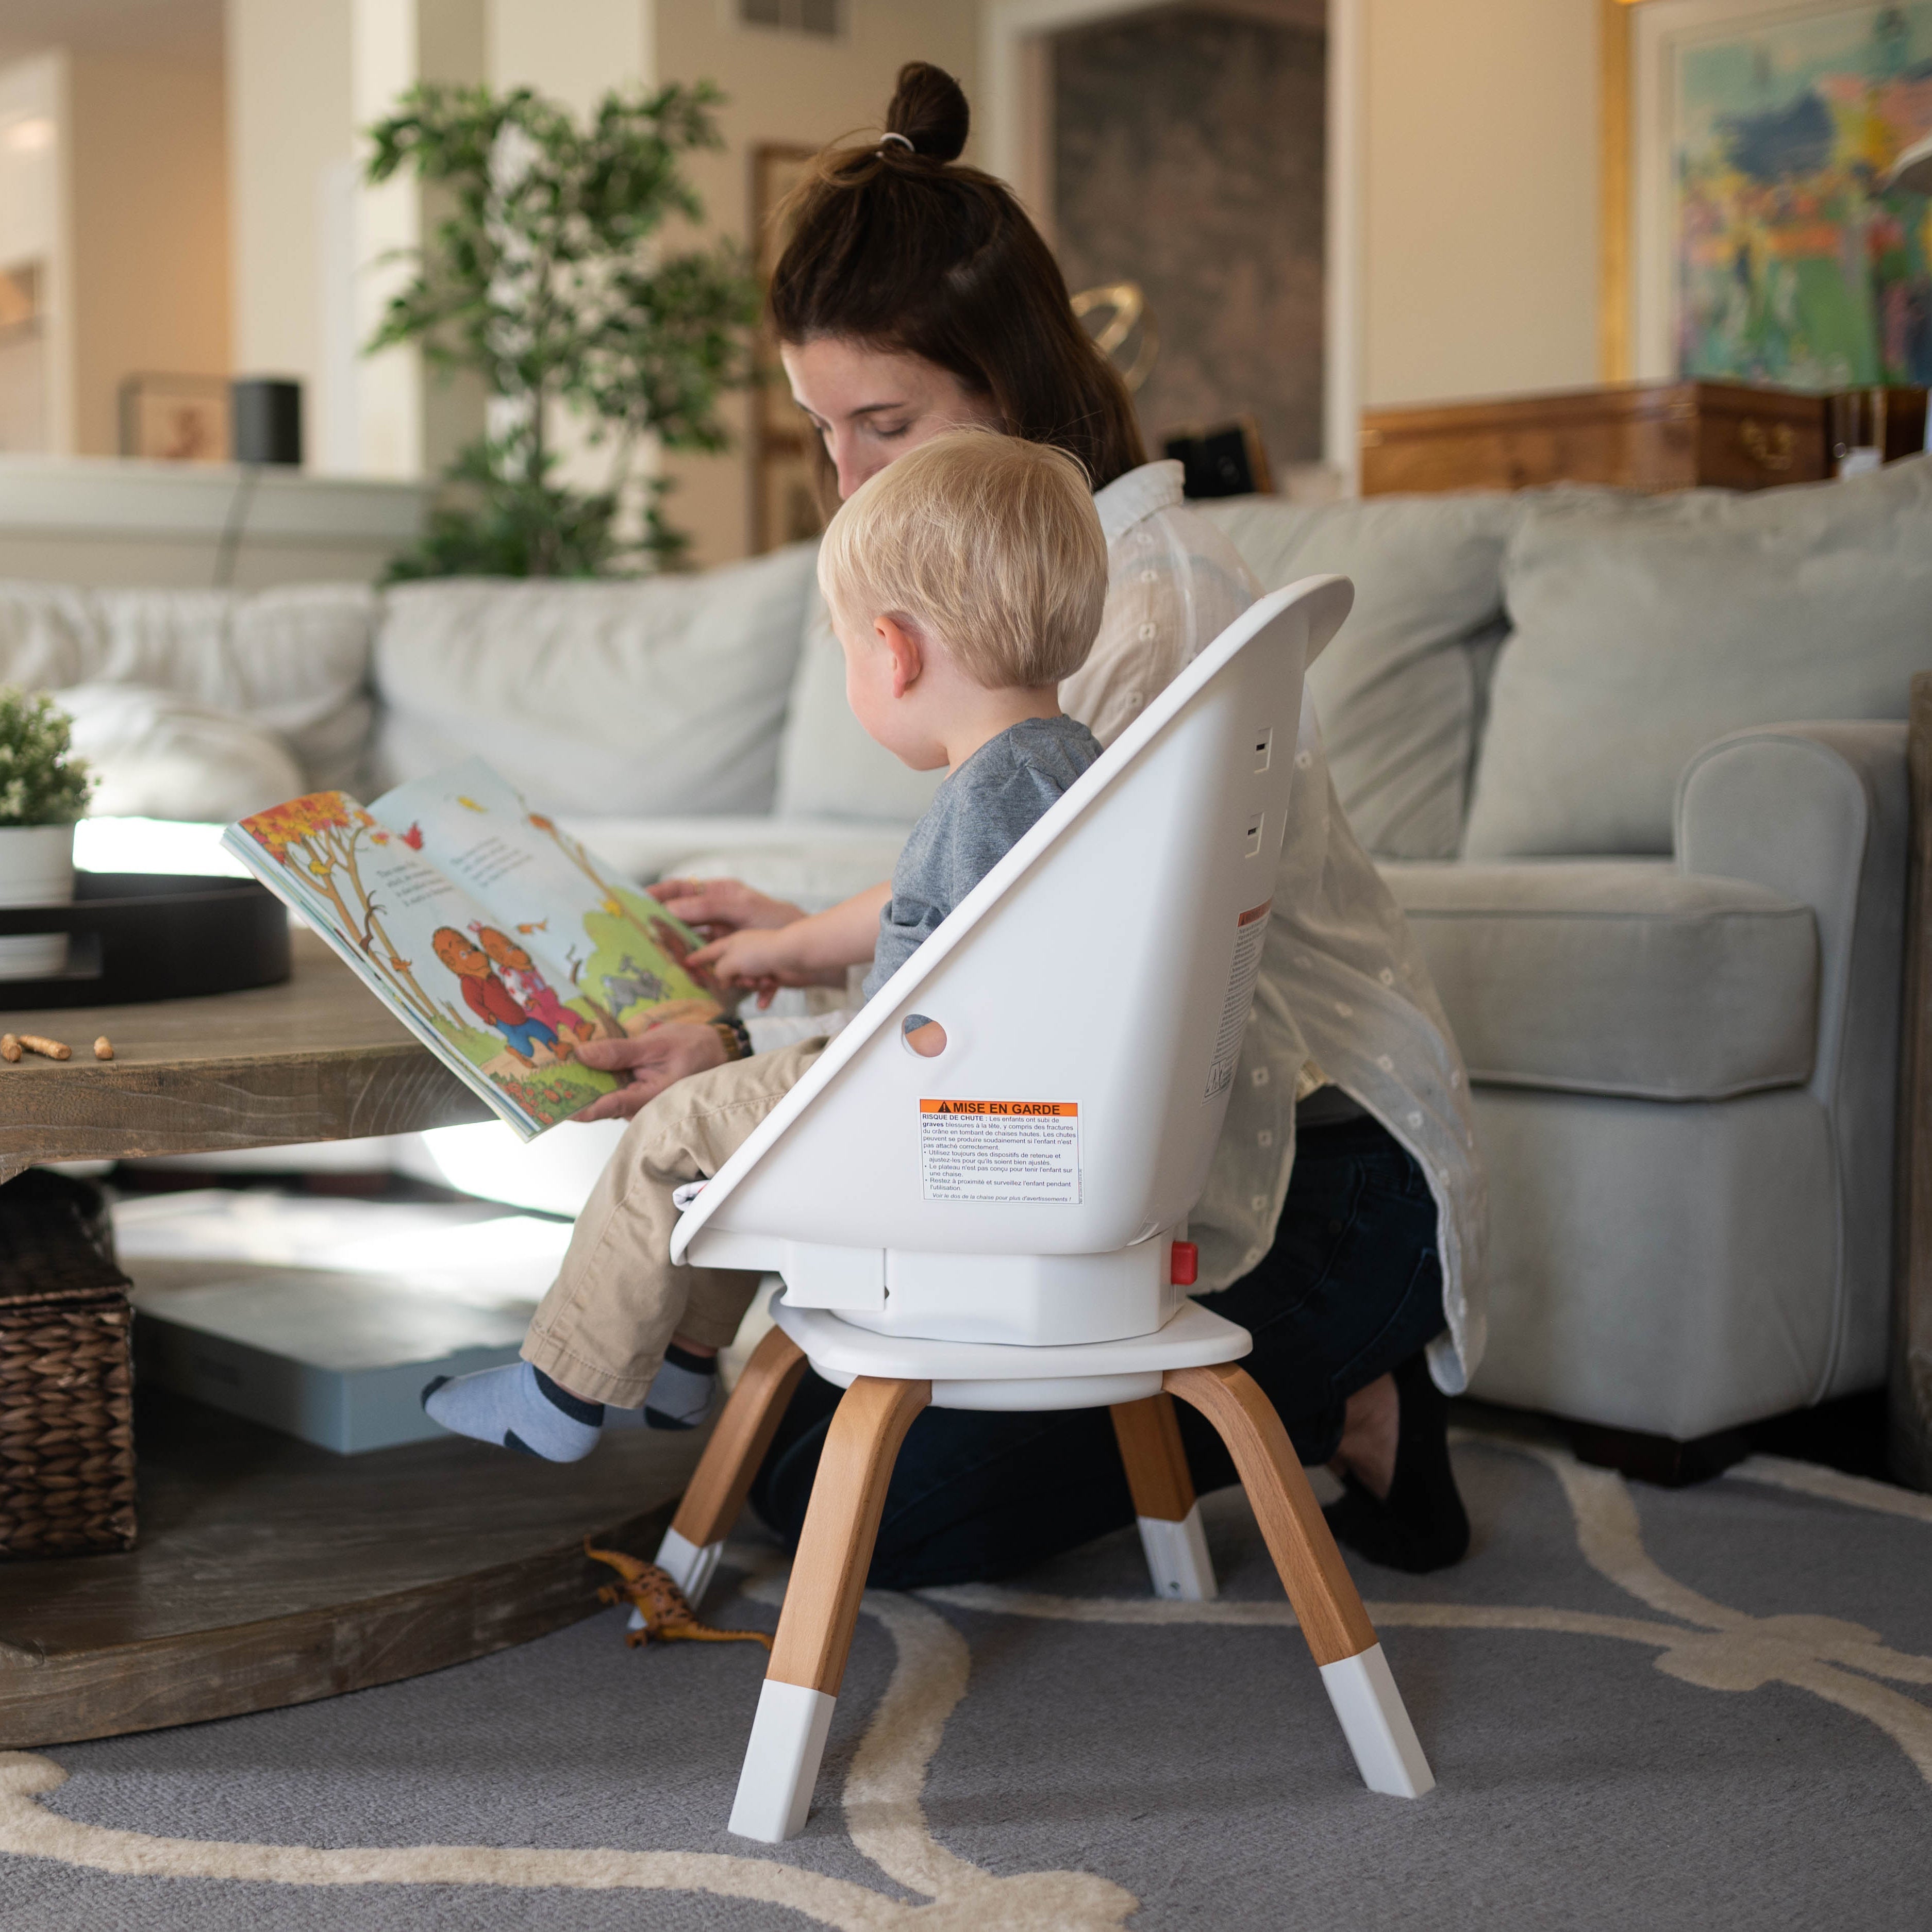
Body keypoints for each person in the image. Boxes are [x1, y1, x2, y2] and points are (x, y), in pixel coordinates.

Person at [571, 62, 1487, 1577]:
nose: (845, 481)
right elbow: (1016, 888)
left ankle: (1355, 1377)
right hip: (1160, 1135)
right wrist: (793, 943)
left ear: (1008, 386)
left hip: (1312, 1170)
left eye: (886, 423)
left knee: (836, 1511)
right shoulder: (1044, 583)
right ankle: (1324, 1384)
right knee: (798, 1460)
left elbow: (1041, 987)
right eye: (819, 431)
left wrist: (749, 1054)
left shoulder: (1150, 602)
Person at [421, 428, 1110, 1453]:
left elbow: (945, 1005)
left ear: (896, 651)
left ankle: (561, 1387)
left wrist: (798, 1054)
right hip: (998, 1112)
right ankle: (686, 1364)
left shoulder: (986, 794)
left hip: (938, 1119)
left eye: (844, 649)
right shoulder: (1074, 761)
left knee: (675, 1130)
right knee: (735, 1129)